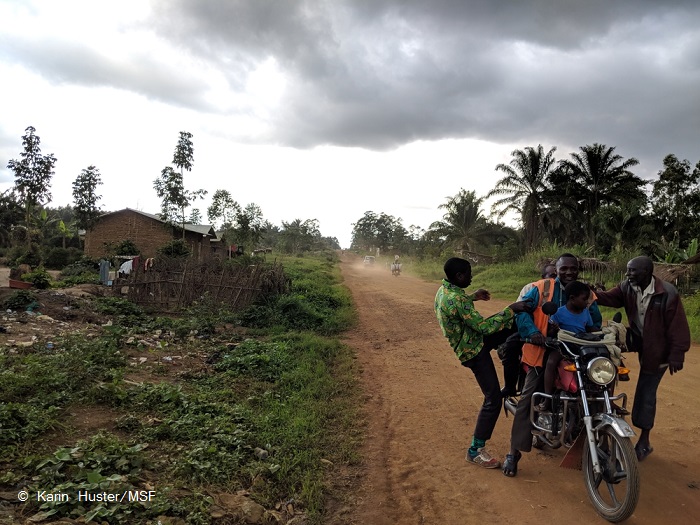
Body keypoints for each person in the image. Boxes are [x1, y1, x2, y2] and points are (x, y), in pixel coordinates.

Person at [502, 253, 602, 477]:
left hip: (577, 351)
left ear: (578, 269)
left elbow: (594, 320)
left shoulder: (587, 292)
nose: (568, 272)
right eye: (564, 268)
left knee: (599, 384)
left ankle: (600, 440)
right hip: (542, 350)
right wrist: (534, 333)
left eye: (573, 268)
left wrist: (602, 333)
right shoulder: (541, 287)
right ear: (556, 269)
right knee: (528, 399)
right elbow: (522, 310)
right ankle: (513, 453)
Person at [434, 257, 531, 468]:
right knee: (493, 399)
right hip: (473, 350)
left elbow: (458, 305)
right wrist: (511, 309)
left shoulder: (445, 291)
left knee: (512, 328)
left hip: (473, 340)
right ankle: (475, 450)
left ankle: (513, 371)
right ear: (459, 276)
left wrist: (473, 297)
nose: (471, 277)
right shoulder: (456, 300)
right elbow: (484, 328)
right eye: (469, 274)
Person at [593, 256, 690, 461]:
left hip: (658, 349)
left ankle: (644, 440)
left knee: (646, 390)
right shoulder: (628, 286)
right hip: (637, 337)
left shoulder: (667, 293)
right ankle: (602, 399)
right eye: (628, 271)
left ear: (647, 272)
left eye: (632, 271)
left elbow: (678, 326)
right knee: (604, 348)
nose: (628, 274)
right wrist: (589, 293)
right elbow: (610, 298)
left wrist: (677, 354)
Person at [538, 281, 595, 420]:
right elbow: (550, 332)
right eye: (584, 299)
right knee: (551, 362)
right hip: (564, 345)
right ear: (572, 298)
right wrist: (553, 329)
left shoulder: (585, 312)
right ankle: (547, 398)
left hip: (581, 345)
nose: (587, 302)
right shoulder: (558, 313)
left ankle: (607, 399)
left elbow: (589, 329)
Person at [501, 263, 558, 396]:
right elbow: (521, 310)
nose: (553, 279)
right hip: (533, 332)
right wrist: (532, 331)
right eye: (551, 276)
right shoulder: (532, 288)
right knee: (510, 346)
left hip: (559, 334)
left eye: (555, 276)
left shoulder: (565, 289)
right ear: (543, 277)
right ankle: (510, 386)